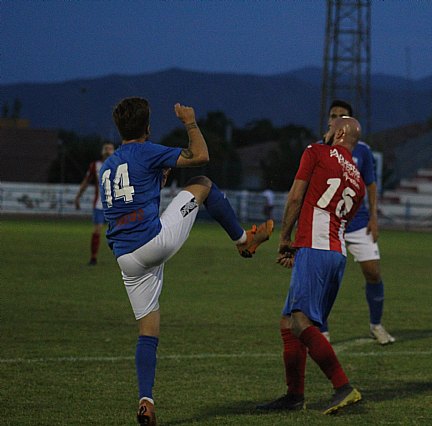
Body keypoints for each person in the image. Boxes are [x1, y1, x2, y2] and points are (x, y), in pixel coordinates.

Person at [100, 97, 273, 425]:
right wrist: (190, 122)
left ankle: (146, 401)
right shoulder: (147, 150)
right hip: (152, 242)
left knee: (148, 331)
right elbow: (201, 156)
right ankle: (244, 241)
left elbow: (128, 198)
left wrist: (155, 181)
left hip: (126, 257)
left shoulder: (108, 165)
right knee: (204, 184)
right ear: (147, 128)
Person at [257, 116, 365, 414]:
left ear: (340, 132)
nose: (326, 131)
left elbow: (296, 197)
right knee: (289, 322)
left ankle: (343, 387)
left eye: (331, 128)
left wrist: (285, 239)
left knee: (301, 322)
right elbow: (337, 216)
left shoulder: (316, 151)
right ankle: (294, 396)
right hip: (336, 253)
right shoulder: (357, 178)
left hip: (315, 248)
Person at [320, 100, 395, 345]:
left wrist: (374, 217)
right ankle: (323, 330)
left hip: (358, 222)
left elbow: (371, 185)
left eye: (343, 116)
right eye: (333, 116)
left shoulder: (362, 151)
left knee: (373, 272)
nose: (337, 120)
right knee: (327, 277)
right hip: (329, 223)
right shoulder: (319, 149)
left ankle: (376, 325)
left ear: (352, 123)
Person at [74, 141, 115, 265]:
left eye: (110, 149)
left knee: (121, 232)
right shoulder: (95, 165)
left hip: (116, 205)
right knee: (97, 230)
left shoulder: (119, 164)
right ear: (102, 151)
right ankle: (93, 257)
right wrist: (78, 197)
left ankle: (125, 258)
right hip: (99, 204)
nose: (108, 151)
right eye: (106, 148)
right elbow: (86, 182)